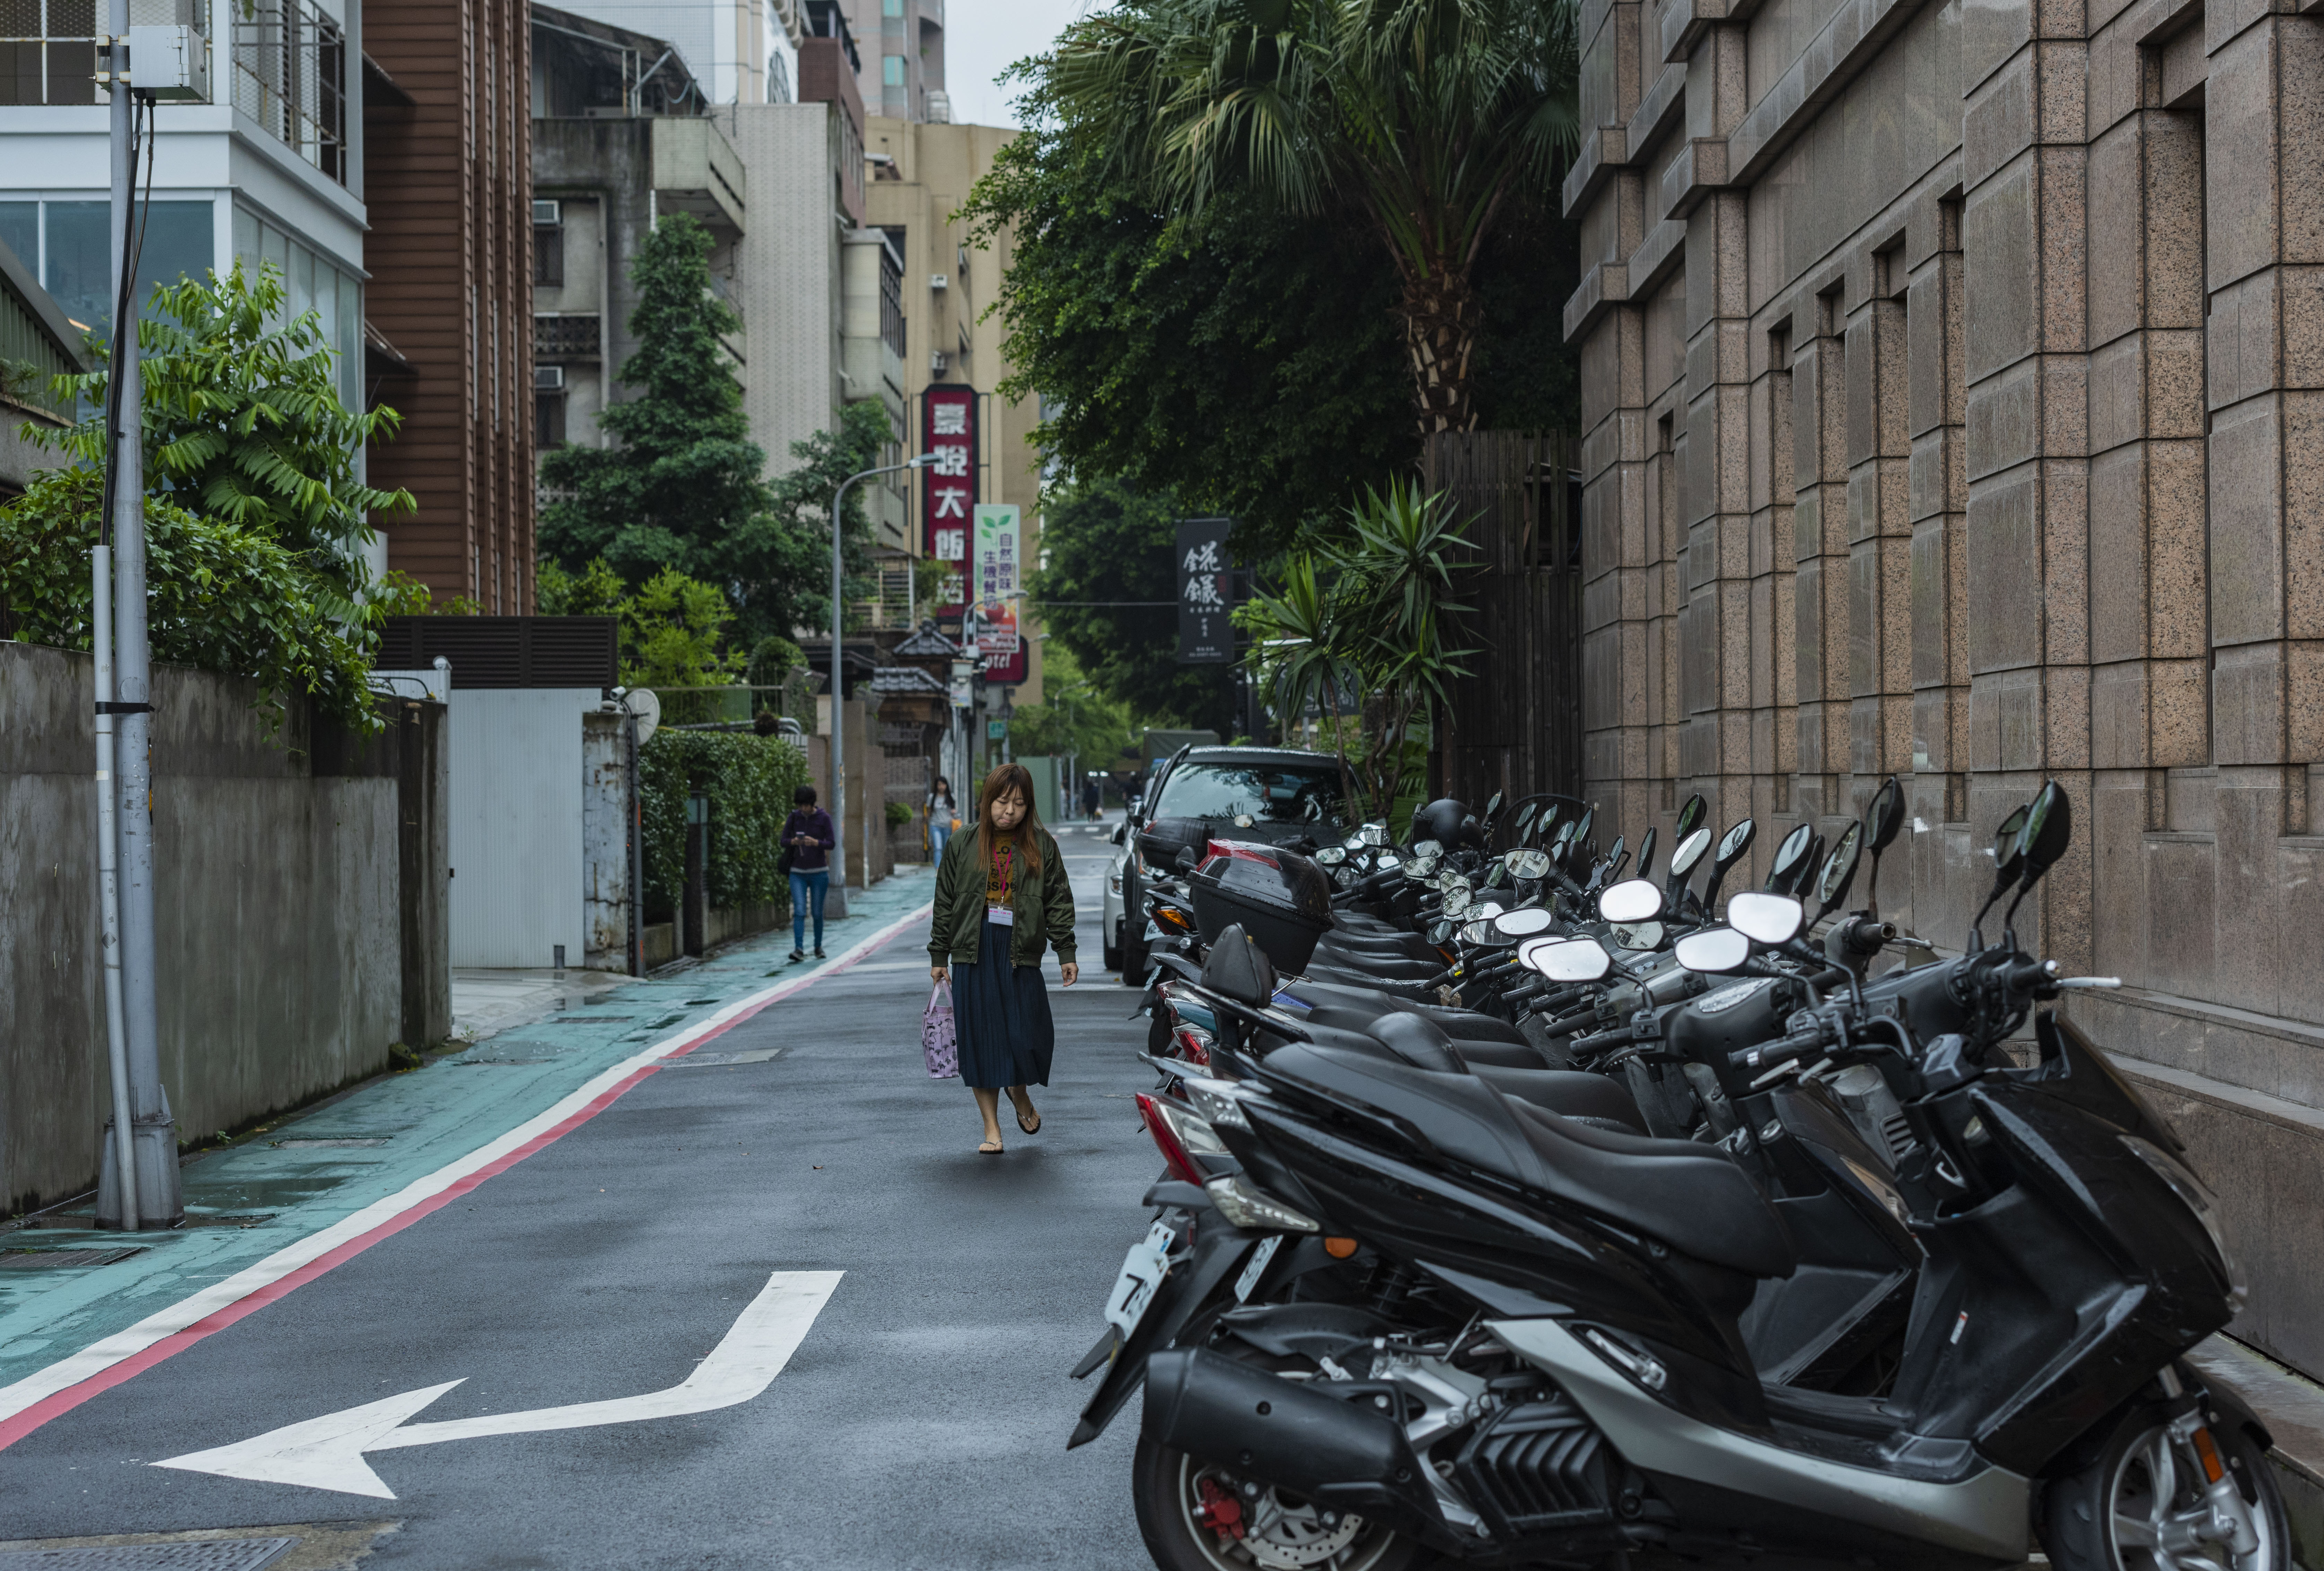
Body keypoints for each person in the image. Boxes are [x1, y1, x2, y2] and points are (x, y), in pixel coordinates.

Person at [929, 762, 1078, 1154]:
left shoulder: (1041, 845)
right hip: (972, 948)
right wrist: (938, 954)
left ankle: (1019, 1089)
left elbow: (1059, 900)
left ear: (1029, 808)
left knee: (1027, 1033)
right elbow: (944, 900)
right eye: (1001, 802)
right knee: (980, 1040)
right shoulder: (964, 843)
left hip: (1020, 948)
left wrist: (1066, 951)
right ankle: (991, 1128)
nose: (1008, 811)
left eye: (1018, 804)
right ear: (986, 800)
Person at [783, 784, 836, 961]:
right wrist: (794, 842)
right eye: (800, 806)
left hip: (819, 872)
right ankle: (798, 949)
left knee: (817, 912)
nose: (802, 809)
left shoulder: (824, 818)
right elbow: (783, 841)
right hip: (797, 871)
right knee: (799, 910)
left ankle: (818, 947)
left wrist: (817, 843)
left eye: (805, 806)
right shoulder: (794, 817)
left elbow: (832, 843)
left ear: (812, 804)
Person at [929, 775, 958, 861]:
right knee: (938, 848)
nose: (941, 787)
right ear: (936, 786)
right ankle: (938, 869)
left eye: (943, 784)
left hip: (948, 826)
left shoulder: (951, 797)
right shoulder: (932, 797)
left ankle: (945, 869)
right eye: (939, 785)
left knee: (947, 849)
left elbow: (955, 812)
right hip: (935, 825)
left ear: (946, 785)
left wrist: (954, 813)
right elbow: (929, 813)